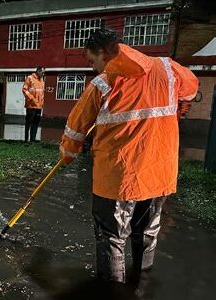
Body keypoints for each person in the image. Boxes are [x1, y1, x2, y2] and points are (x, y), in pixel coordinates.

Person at [59, 29, 198, 284]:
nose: (93, 68)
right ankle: (141, 281)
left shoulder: (103, 83)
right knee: (147, 231)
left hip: (117, 178)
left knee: (111, 236)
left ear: (103, 52)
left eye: (91, 61)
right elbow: (190, 89)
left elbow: (75, 127)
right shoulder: (169, 70)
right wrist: (179, 103)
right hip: (158, 173)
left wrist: (67, 154)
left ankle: (113, 290)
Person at [22, 66, 45, 142]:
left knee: (35, 123)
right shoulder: (30, 78)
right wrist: (32, 99)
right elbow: (24, 90)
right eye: (42, 72)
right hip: (31, 105)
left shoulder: (41, 80)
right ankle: (26, 139)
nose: (43, 74)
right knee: (28, 123)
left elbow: (41, 93)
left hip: (39, 106)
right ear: (38, 71)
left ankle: (32, 139)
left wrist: (41, 103)